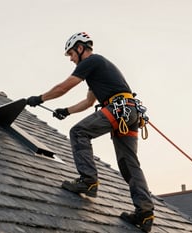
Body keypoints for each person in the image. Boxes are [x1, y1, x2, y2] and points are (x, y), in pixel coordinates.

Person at [26, 32, 154, 232]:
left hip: (118, 108)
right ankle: (145, 213)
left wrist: (40, 98)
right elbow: (88, 102)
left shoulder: (91, 61)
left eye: (71, 54)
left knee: (78, 132)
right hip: (129, 112)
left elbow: (63, 87)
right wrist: (66, 111)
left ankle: (88, 181)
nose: (70, 59)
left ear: (79, 48)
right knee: (129, 163)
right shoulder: (98, 72)